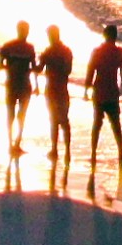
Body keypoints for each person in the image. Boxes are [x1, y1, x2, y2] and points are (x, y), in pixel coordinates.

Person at [86, 22, 122, 165]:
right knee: (115, 124)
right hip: (112, 92)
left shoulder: (97, 51)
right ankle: (120, 153)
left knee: (96, 124)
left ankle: (93, 154)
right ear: (116, 36)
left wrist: (86, 87)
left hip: (98, 91)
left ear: (104, 36)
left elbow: (91, 70)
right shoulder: (119, 52)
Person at [0, 22, 37, 154]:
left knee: (18, 115)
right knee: (14, 115)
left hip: (20, 84)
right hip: (17, 85)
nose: (26, 33)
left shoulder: (16, 47)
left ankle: (15, 143)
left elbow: (33, 68)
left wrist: (37, 86)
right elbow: (0, 65)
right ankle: (12, 143)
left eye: (26, 30)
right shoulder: (13, 47)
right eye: (24, 30)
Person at [39, 25, 76, 157]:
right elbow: (68, 69)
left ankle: (58, 149)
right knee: (61, 119)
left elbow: (39, 69)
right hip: (59, 89)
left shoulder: (49, 52)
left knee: (57, 120)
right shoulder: (65, 51)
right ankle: (63, 150)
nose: (49, 38)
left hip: (54, 89)